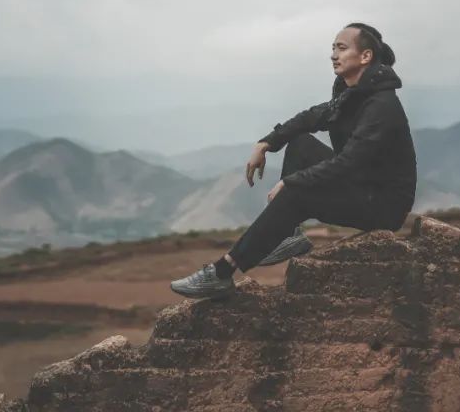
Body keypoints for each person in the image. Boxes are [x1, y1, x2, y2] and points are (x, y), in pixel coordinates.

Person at [170, 22, 417, 299]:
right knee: (300, 144)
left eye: (342, 48)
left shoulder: (381, 106)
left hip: (383, 205)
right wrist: (267, 142)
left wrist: (291, 182)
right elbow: (311, 117)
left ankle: (222, 272)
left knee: (296, 194)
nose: (333, 55)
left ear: (365, 57)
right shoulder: (352, 95)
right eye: (333, 48)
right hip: (363, 185)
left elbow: (348, 162)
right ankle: (289, 237)